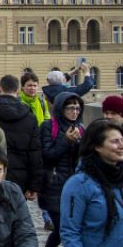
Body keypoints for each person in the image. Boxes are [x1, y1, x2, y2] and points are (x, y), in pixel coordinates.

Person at [60, 120, 123, 245]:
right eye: (115, 141)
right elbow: (70, 233)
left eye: (122, 140)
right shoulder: (79, 184)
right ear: (97, 146)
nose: (121, 145)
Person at [41, 92, 86, 247]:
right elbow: (47, 155)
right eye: (70, 108)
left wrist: (79, 143)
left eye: (77, 108)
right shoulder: (48, 126)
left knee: (68, 229)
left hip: (74, 186)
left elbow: (83, 158)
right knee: (61, 229)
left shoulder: (81, 128)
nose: (74, 112)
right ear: (61, 108)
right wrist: (66, 140)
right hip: (54, 185)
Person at [0, 75, 44, 200]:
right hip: (21, 179)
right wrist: (34, 185)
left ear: (0, 88)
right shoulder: (30, 116)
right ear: (18, 90)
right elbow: (35, 153)